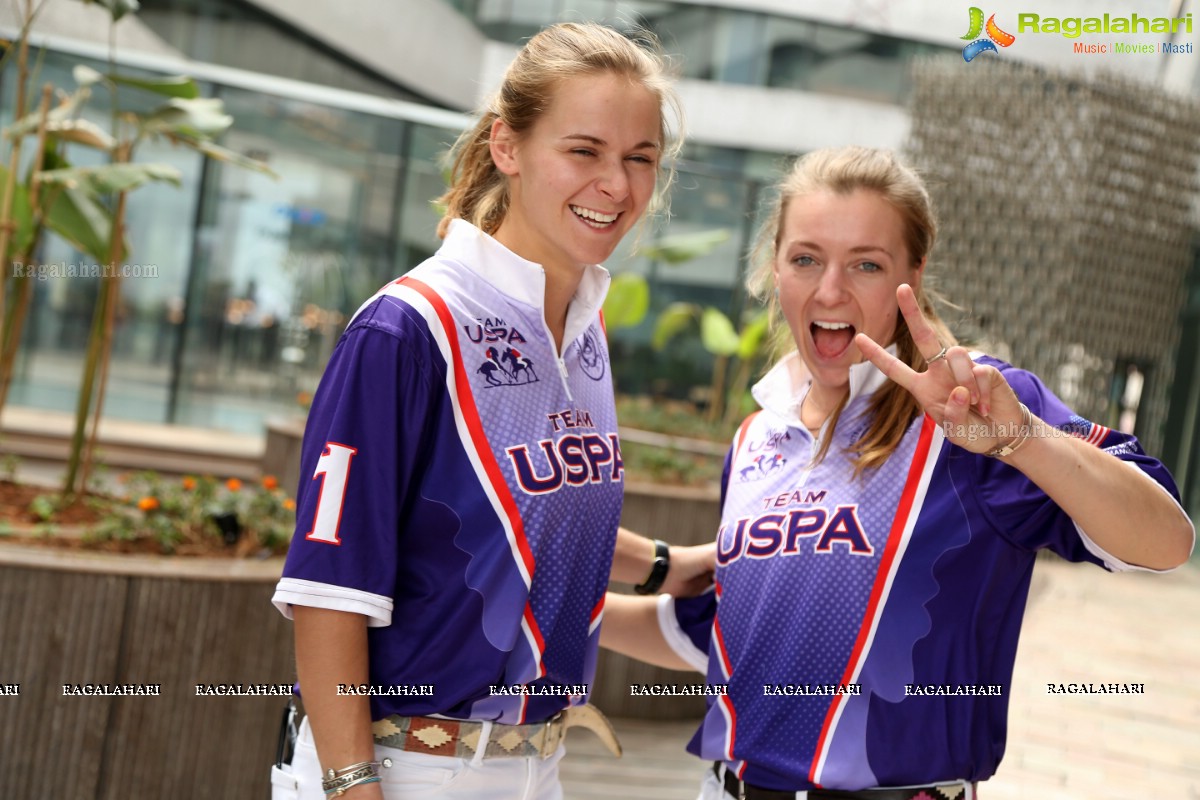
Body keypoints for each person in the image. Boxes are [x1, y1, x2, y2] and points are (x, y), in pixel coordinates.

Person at [600, 146, 1194, 800]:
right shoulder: (756, 435)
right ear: (775, 268)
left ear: (915, 271)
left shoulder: (978, 410)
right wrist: (550, 598)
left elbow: (1166, 542)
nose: (831, 290)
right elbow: (723, 632)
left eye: (866, 264)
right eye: (806, 259)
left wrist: (1022, 440)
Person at [269, 22, 714, 800]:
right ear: (508, 147)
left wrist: (668, 566)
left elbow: (519, 515)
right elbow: (326, 592)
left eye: (640, 158)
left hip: (533, 766)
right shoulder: (406, 329)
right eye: (584, 151)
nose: (617, 184)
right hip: (400, 768)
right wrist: (351, 786)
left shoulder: (581, 330)